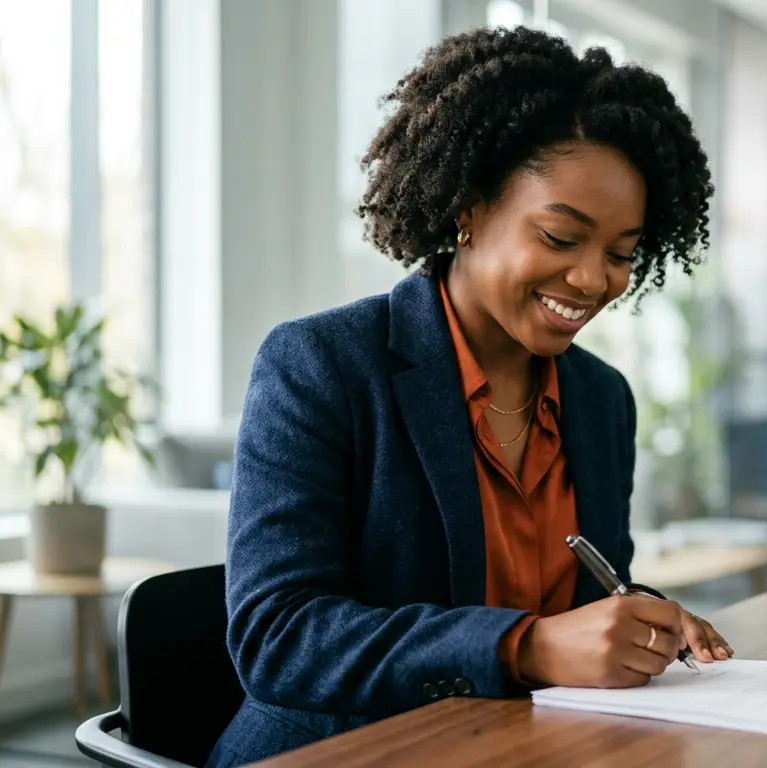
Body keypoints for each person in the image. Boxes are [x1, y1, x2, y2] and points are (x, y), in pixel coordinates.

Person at [208, 28, 726, 767]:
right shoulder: (321, 365)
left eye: (620, 254)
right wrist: (528, 645)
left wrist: (638, 623)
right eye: (559, 237)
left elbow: (588, 589)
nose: (591, 280)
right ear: (469, 210)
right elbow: (280, 637)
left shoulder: (600, 398)